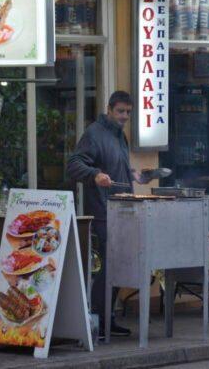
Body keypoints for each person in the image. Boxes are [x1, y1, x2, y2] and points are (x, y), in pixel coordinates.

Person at [67, 90, 149, 337]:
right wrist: (95, 175)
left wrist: (131, 173)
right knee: (112, 265)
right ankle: (95, 317)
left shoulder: (119, 135)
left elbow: (113, 164)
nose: (125, 116)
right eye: (121, 111)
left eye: (128, 112)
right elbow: (74, 164)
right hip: (103, 211)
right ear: (110, 109)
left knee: (119, 265)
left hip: (123, 210)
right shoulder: (94, 133)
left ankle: (106, 318)